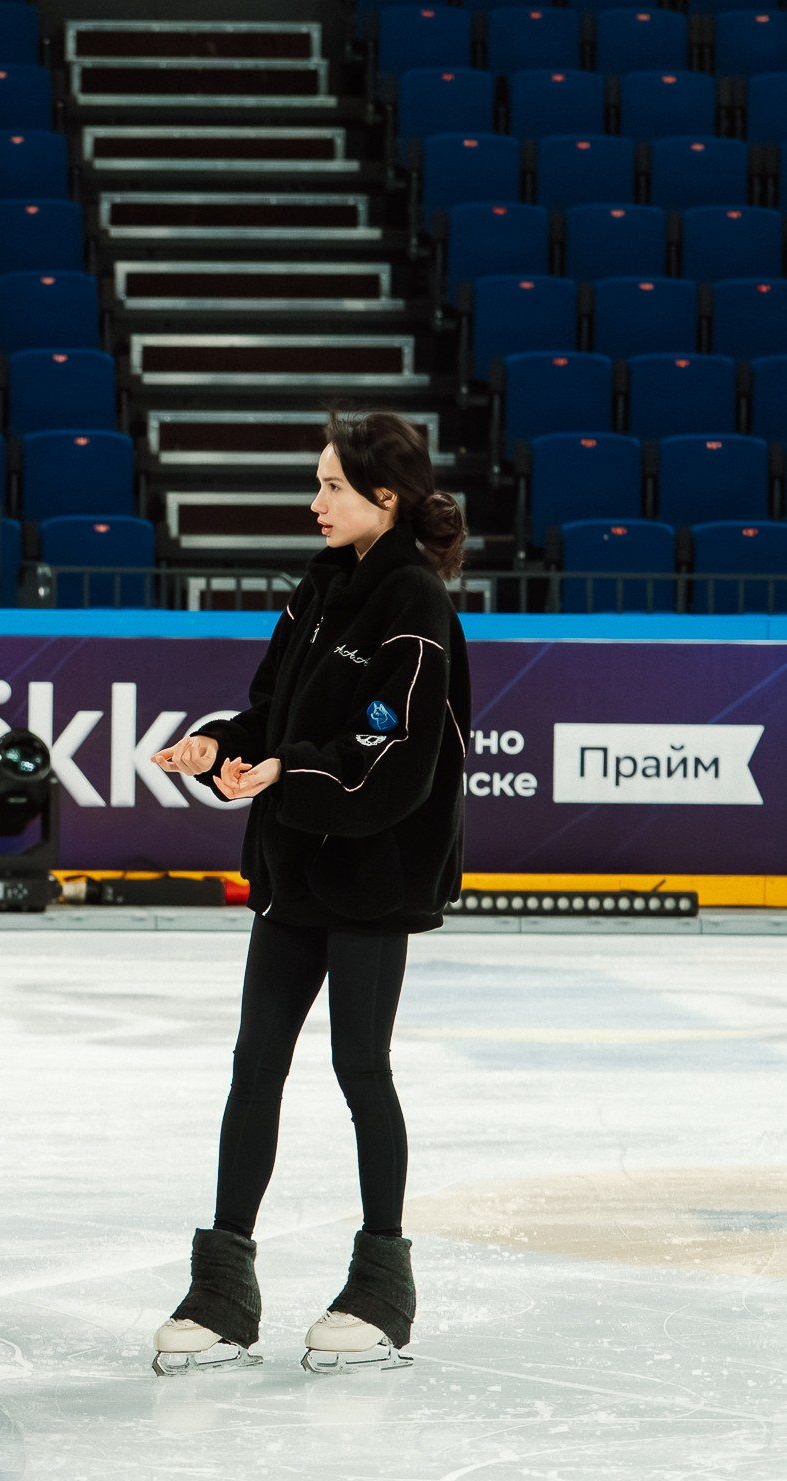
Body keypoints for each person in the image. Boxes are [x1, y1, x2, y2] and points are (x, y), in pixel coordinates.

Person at [148, 411, 470, 1377]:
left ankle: (381, 1287)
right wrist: (220, 745)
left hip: (372, 877)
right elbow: (269, 713)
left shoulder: (414, 604)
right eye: (318, 483)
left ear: (385, 498)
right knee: (256, 1065)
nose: (314, 501)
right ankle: (222, 1290)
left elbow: (390, 760)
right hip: (294, 870)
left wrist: (284, 767)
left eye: (332, 485)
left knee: (360, 1070)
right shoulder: (319, 588)